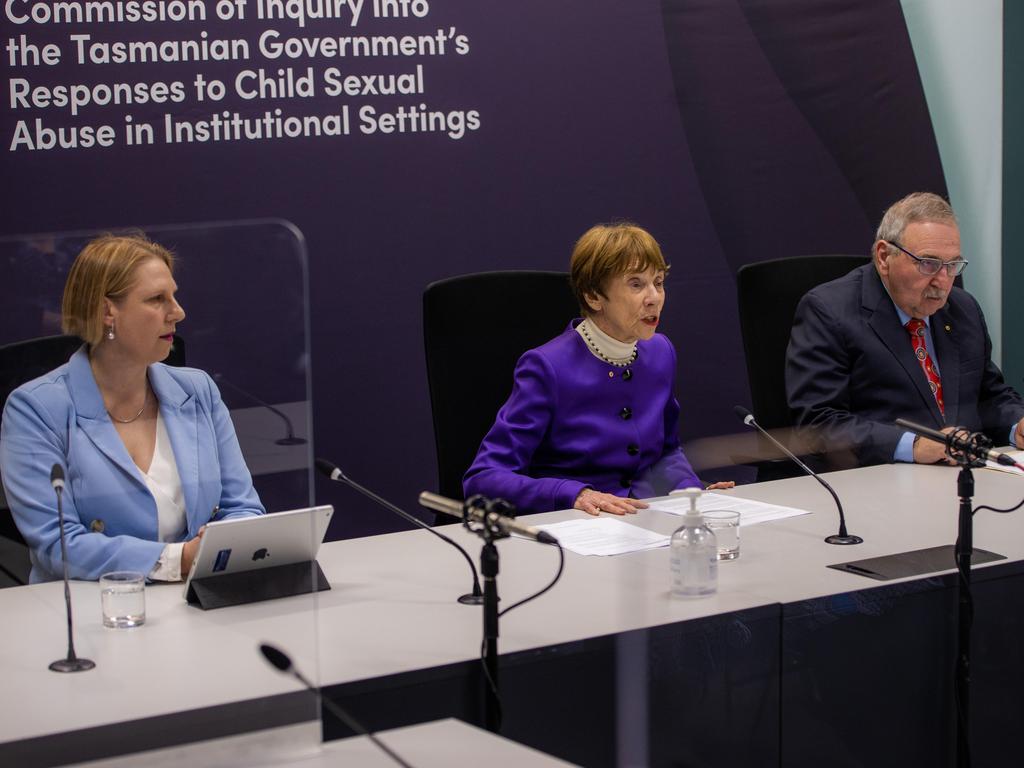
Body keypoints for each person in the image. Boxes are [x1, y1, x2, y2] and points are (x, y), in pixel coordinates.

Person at [0, 234, 265, 583]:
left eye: (174, 296)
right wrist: (177, 559)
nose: (178, 312)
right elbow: (57, 544)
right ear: (107, 311)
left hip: (198, 600)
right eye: (157, 299)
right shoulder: (35, 409)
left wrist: (219, 550)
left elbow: (243, 507)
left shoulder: (198, 389)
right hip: (92, 613)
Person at [463, 222, 732, 516]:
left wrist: (691, 494)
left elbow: (665, 453)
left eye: (658, 281)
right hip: (578, 527)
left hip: (645, 522)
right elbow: (483, 479)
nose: (654, 297)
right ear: (593, 296)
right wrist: (574, 494)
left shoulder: (660, 352)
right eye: (636, 284)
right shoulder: (546, 367)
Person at [786, 192, 1024, 468]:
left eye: (952, 265)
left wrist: (1016, 423)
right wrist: (912, 446)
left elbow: (988, 396)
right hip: (875, 482)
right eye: (929, 263)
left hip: (963, 476)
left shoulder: (963, 309)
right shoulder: (829, 311)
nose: (943, 281)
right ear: (884, 256)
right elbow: (819, 423)